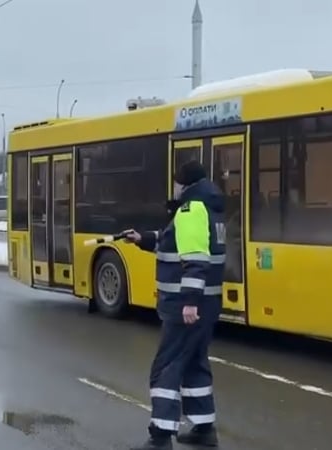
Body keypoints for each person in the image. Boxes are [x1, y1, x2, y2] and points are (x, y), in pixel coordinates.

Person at [125, 159, 225, 449]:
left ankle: (160, 436)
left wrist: (190, 303)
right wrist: (141, 239)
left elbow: (195, 259)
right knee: (194, 364)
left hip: (186, 306)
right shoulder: (209, 207)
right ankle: (204, 429)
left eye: (177, 182)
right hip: (206, 304)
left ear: (185, 183)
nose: (175, 187)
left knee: (166, 367)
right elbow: (173, 242)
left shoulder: (191, 209)